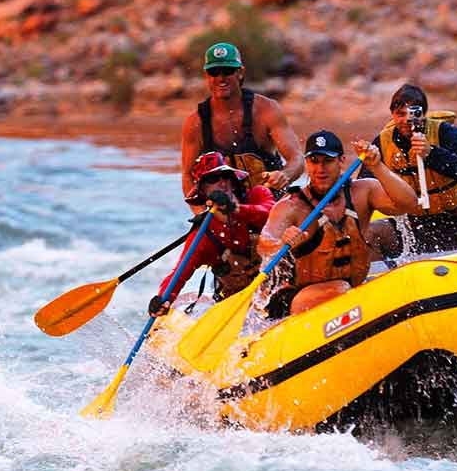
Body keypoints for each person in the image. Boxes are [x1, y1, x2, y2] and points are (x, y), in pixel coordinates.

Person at [258, 130, 420, 316]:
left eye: (328, 161)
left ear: (341, 161)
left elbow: (409, 204)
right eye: (314, 161)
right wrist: (282, 243)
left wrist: (377, 166)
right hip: (299, 298)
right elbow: (264, 243)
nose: (320, 169)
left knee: (358, 288)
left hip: (348, 292)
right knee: (341, 289)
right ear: (307, 163)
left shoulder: (362, 191)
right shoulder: (292, 205)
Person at [148, 152, 276, 317]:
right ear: (203, 191)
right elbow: (179, 274)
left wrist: (235, 209)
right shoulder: (203, 236)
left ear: (232, 182)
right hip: (236, 301)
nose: (222, 182)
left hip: (279, 288)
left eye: (226, 176)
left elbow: (271, 214)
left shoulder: (258, 195)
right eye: (213, 179)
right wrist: (163, 299)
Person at [180, 42, 304, 210]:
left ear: (240, 73)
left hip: (270, 208)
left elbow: (297, 159)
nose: (221, 78)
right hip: (224, 212)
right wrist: (200, 213)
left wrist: (284, 175)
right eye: (214, 72)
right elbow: (187, 176)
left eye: (228, 71)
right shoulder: (195, 123)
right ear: (206, 76)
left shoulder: (267, 110)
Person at [365, 83, 457, 255]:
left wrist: (432, 154)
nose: (407, 120)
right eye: (400, 114)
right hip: (409, 227)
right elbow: (366, 189)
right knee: (368, 233)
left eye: (414, 114)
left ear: (424, 113)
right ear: (392, 115)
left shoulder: (447, 133)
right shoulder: (382, 143)